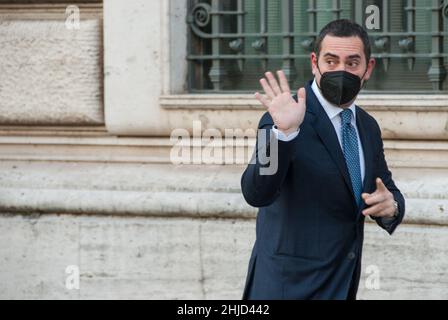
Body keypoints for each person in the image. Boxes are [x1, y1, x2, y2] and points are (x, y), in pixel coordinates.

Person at [241, 19, 405, 300]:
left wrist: (392, 206)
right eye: (331, 61)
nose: (341, 70)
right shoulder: (282, 116)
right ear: (315, 63)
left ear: (368, 68)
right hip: (287, 288)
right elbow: (256, 191)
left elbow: (383, 188)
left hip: (341, 285)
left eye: (352, 63)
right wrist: (284, 134)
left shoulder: (367, 126)